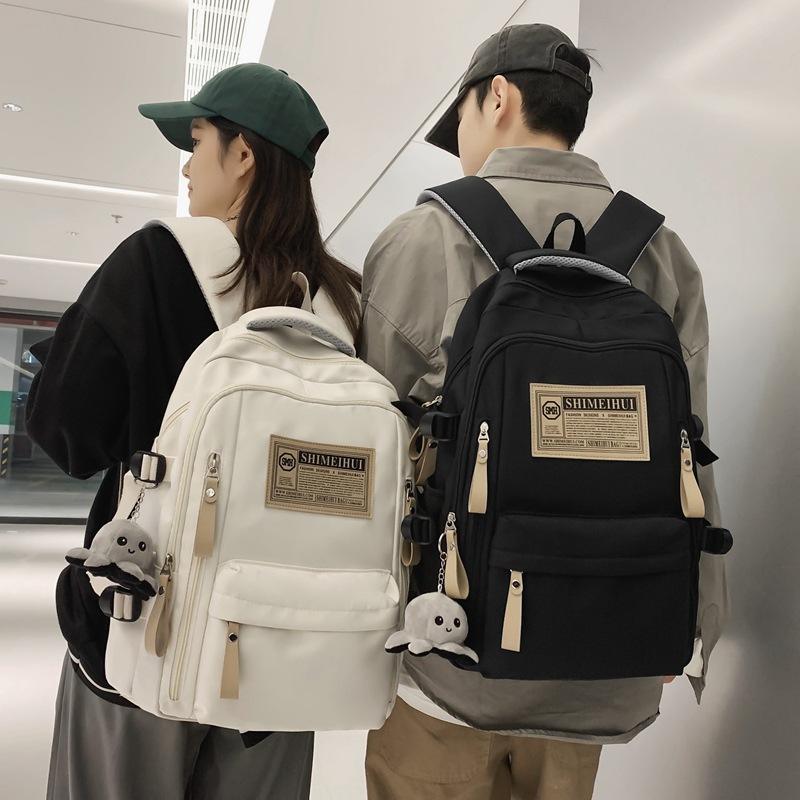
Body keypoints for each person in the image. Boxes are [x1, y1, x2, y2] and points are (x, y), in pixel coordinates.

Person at [359, 23, 728, 800]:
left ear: (498, 98)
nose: (460, 145)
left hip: (449, 658)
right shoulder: (663, 252)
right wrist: (694, 612)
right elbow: (693, 447)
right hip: (608, 652)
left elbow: (378, 459)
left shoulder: (422, 238)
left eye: (460, 118)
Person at [26, 62, 361, 800]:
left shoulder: (157, 262)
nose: (186, 165)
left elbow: (65, 434)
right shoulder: (343, 305)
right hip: (282, 657)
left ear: (242, 155)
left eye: (198, 140)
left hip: (142, 632)